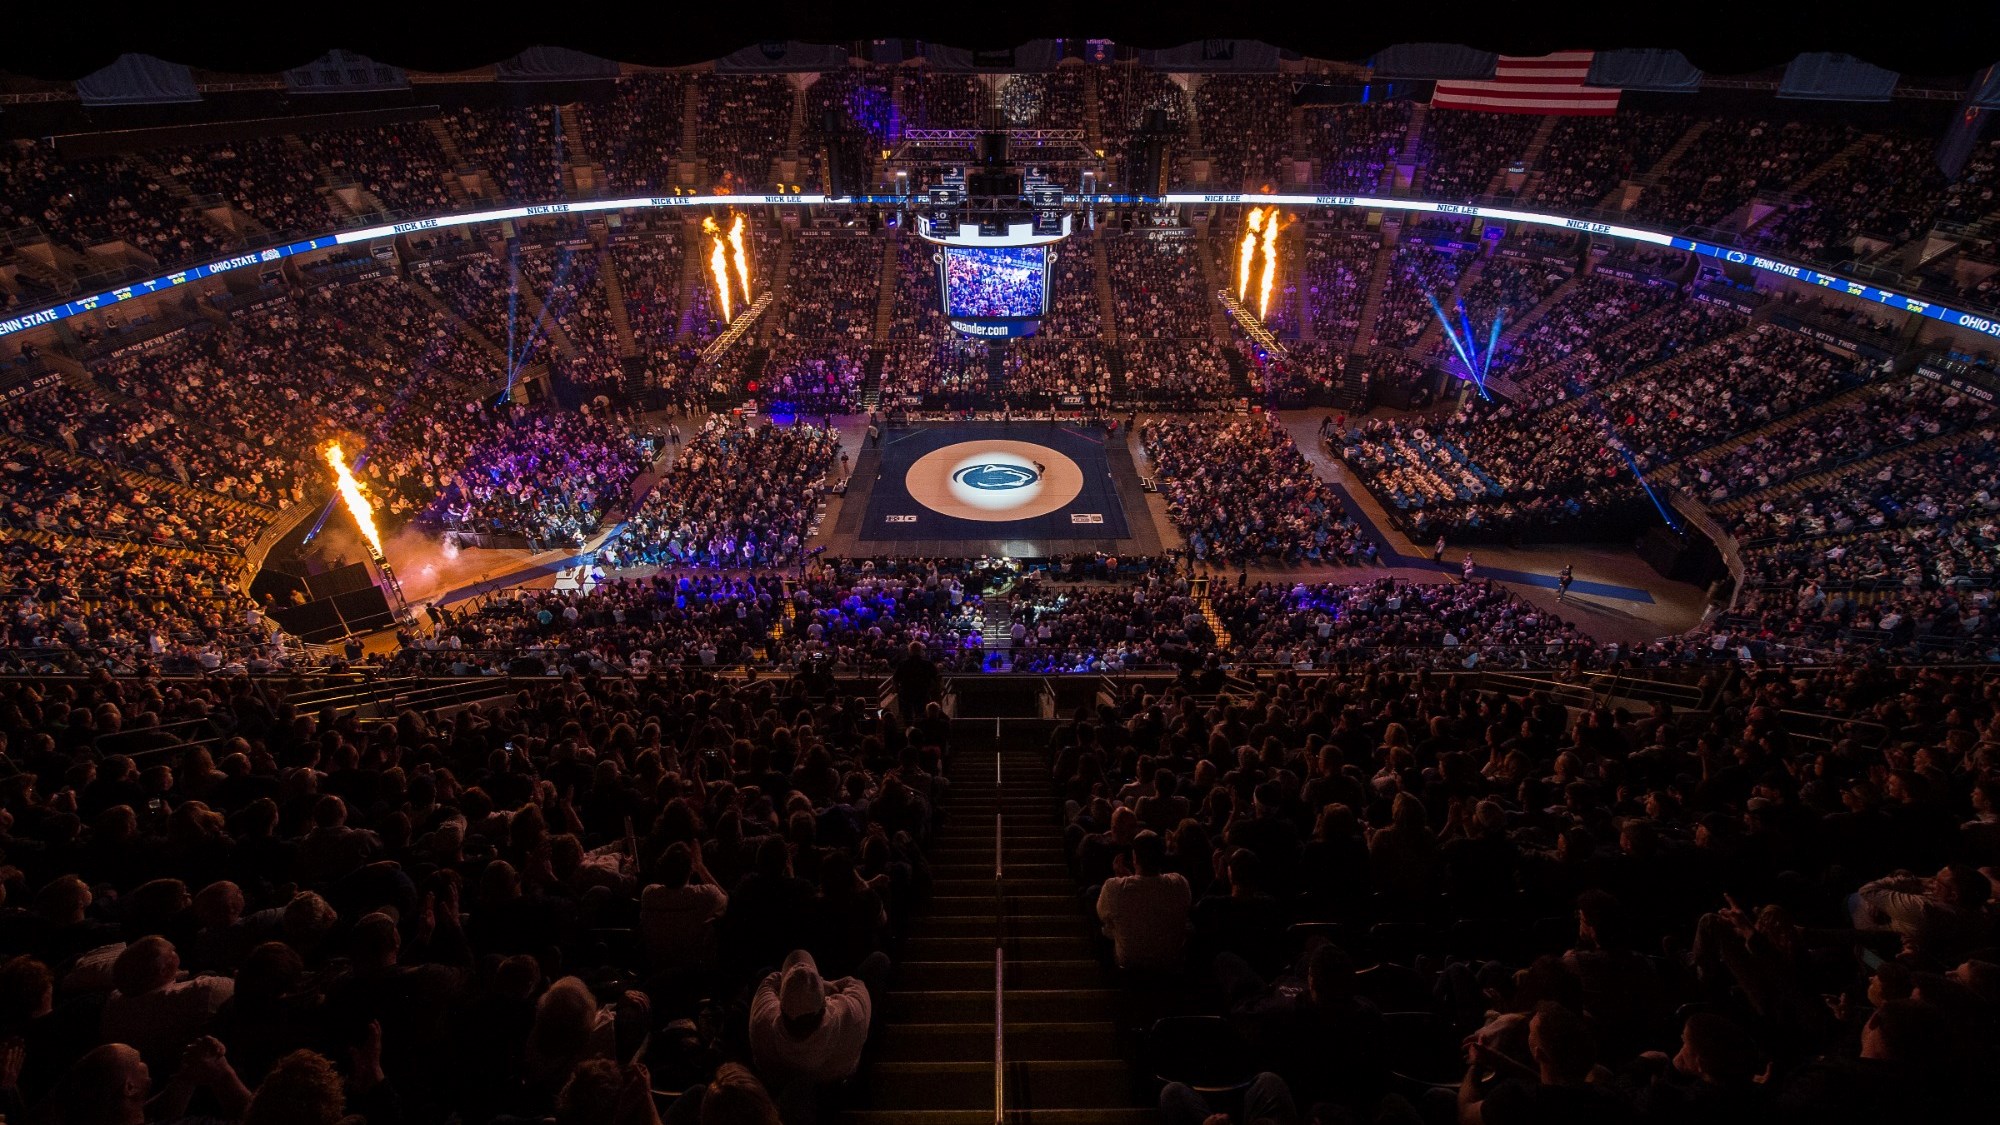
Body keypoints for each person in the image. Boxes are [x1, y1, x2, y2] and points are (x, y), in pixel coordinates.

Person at [1096, 831, 1192, 971]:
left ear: (1134, 857)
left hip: (1129, 964)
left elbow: (1102, 915)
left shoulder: (1114, 887)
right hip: (1170, 961)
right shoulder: (1179, 884)